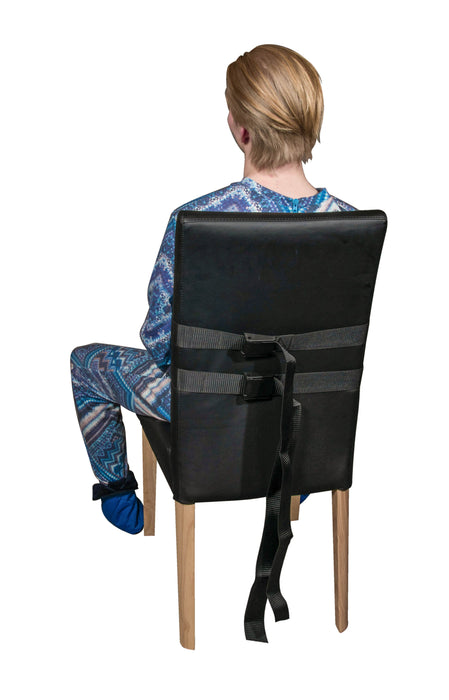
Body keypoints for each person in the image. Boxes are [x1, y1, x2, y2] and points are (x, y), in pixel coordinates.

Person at [70, 44, 356, 535]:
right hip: (306, 411)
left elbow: (159, 340)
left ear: (243, 131)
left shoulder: (197, 219)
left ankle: (116, 492)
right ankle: (298, 475)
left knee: (85, 363)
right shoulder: (349, 223)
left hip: (210, 403)